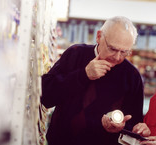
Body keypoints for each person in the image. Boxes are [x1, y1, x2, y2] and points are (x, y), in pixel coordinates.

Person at [40, 16, 144, 145]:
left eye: (124, 52)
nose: (117, 57)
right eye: (112, 49)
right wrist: (84, 75)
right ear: (99, 36)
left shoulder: (132, 76)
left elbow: (135, 124)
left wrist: (120, 127)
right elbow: (45, 95)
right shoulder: (75, 53)